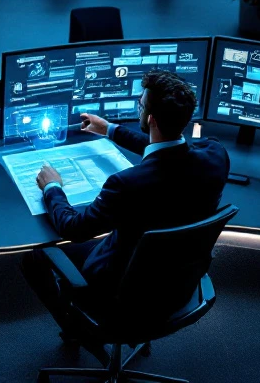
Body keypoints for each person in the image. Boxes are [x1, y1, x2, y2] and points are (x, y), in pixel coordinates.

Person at [22, 70, 229, 332]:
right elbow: (169, 150)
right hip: (175, 285)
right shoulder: (216, 156)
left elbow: (73, 228)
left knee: (36, 257)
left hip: (119, 290)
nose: (139, 107)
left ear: (150, 119)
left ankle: (78, 330)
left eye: (140, 104)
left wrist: (53, 187)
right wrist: (110, 130)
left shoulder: (127, 185)